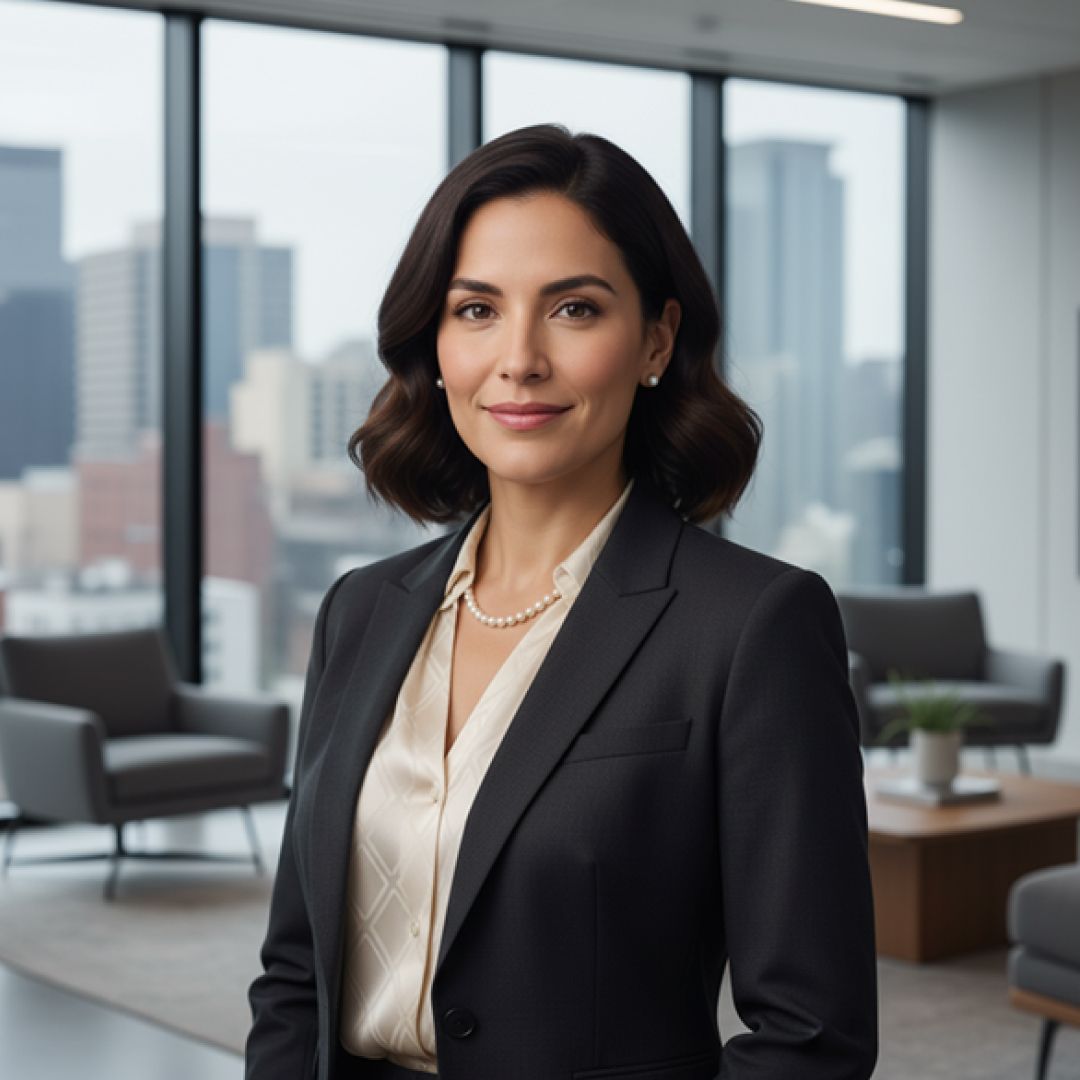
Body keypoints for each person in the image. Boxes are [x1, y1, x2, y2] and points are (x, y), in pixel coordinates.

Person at [244, 123, 878, 1080]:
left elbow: (810, 1036)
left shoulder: (751, 625)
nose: (520, 359)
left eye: (574, 309)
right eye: (477, 310)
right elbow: (296, 971)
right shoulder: (360, 611)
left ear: (656, 338)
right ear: (436, 340)